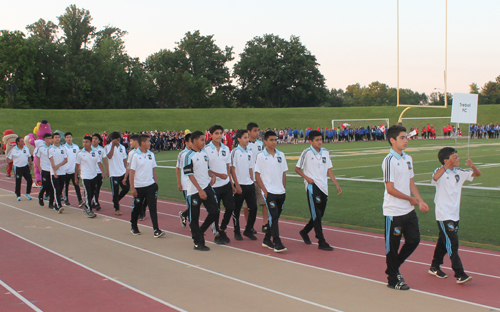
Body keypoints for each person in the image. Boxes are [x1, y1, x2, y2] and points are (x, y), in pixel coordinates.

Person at [382, 125, 429, 290]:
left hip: (409, 210)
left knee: (414, 240)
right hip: (393, 212)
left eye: (406, 137)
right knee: (392, 247)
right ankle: (393, 279)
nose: (406, 140)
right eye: (402, 137)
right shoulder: (389, 161)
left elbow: (411, 182)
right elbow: (390, 189)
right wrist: (411, 199)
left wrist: (420, 200)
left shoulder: (408, 158)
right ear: (392, 140)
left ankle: (393, 267)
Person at [428, 147, 480, 284]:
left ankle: (434, 266)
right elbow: (435, 177)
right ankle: (459, 273)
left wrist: (473, 166)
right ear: (446, 160)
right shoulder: (439, 171)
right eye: (455, 157)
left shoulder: (460, 172)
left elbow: (477, 174)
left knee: (443, 242)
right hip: (443, 214)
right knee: (452, 242)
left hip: (454, 213)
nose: (458, 159)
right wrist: (447, 165)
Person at [295, 130, 342, 251]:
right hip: (312, 186)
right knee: (316, 214)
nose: (319, 142)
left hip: (323, 186)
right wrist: (307, 178)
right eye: (316, 140)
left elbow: (329, 170)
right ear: (310, 141)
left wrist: (336, 184)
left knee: (319, 214)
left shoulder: (326, 152)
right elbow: (297, 168)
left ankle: (305, 231)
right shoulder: (306, 152)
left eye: (320, 139)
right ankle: (321, 241)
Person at [183, 131, 220, 251]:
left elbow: (207, 169)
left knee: (215, 211)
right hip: (194, 190)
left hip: (206, 187)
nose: (204, 142)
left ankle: (200, 231)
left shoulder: (204, 153)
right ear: (194, 141)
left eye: (204, 140)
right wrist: (199, 190)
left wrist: (212, 175)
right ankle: (197, 242)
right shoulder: (189, 156)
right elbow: (190, 174)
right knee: (194, 217)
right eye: (202, 140)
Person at [255, 130, 288, 252]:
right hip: (269, 192)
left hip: (280, 192)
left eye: (275, 140)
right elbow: (257, 175)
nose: (274, 142)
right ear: (265, 141)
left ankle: (267, 239)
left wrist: (283, 188)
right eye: (271, 140)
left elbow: (283, 173)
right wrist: (265, 190)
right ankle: (277, 242)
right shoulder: (261, 156)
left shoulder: (281, 155)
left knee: (275, 217)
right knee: (273, 216)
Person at [130, 134, 164, 238]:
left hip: (150, 185)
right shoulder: (135, 155)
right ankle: (134, 226)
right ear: (143, 143)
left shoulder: (151, 154)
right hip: (139, 186)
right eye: (148, 141)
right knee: (137, 207)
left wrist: (156, 183)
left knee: (153, 208)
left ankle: (156, 229)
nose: (150, 143)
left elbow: (153, 169)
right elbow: (132, 173)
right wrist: (132, 188)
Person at [205, 125, 234, 244]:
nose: (218, 136)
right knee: (215, 211)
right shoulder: (206, 149)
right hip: (213, 186)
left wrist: (231, 184)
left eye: (220, 133)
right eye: (216, 133)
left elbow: (228, 167)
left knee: (230, 207)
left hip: (226, 184)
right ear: (211, 135)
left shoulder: (226, 149)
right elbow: (205, 168)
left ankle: (222, 229)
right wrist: (217, 175)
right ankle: (216, 233)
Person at [230, 129, 258, 241]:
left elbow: (251, 168)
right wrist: (237, 185)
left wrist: (252, 180)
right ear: (239, 139)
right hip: (239, 185)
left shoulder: (249, 152)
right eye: (245, 137)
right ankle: (237, 231)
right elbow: (232, 169)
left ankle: (248, 229)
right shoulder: (235, 152)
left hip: (249, 184)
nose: (247, 140)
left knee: (254, 208)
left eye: (247, 137)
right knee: (236, 210)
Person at [244, 122, 268, 234]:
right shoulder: (245, 144)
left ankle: (265, 224)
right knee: (247, 205)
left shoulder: (260, 144)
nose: (257, 132)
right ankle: (249, 225)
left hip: (259, 177)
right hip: (247, 178)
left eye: (258, 130)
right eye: (254, 130)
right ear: (248, 132)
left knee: (264, 202)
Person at [75, 136, 105, 218]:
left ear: (91, 143)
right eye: (83, 142)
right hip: (85, 176)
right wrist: (76, 177)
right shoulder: (80, 153)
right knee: (88, 192)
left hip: (94, 175)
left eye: (86, 142)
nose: (84, 144)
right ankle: (89, 209)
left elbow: (99, 162)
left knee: (93, 192)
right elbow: (77, 166)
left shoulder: (95, 152)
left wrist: (102, 172)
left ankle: (86, 206)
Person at [106, 131, 129, 215]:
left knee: (126, 188)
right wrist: (112, 146)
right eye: (116, 139)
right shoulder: (107, 147)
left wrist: (126, 169)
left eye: (119, 139)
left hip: (122, 172)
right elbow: (109, 156)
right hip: (114, 174)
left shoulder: (122, 147)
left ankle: (116, 199)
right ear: (112, 140)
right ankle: (117, 208)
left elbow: (124, 159)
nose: (118, 141)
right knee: (115, 192)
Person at [124, 134, 145, 220]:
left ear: (136, 141)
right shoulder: (131, 153)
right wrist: (125, 177)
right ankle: (138, 214)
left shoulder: (145, 151)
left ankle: (142, 211)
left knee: (145, 198)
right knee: (136, 198)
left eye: (131, 141)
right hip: (136, 179)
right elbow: (128, 167)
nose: (130, 143)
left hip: (145, 178)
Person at [7, 137, 33, 201]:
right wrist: (7, 164)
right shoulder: (13, 150)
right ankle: (18, 195)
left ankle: (28, 193)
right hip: (18, 167)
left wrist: (30, 164)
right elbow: (8, 158)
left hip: (26, 167)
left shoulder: (26, 148)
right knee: (18, 182)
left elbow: (29, 156)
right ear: (17, 142)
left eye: (23, 141)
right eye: (21, 141)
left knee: (30, 180)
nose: (23, 142)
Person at [48, 132, 68, 213]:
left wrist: (59, 166)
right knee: (57, 189)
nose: (57, 139)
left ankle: (56, 204)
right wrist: (54, 170)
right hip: (54, 173)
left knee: (60, 189)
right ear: (52, 139)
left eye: (58, 137)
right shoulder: (51, 149)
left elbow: (66, 160)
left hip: (62, 172)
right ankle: (59, 205)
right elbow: (51, 160)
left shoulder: (63, 148)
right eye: (55, 137)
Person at [62, 132, 83, 207]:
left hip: (74, 171)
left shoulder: (76, 147)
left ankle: (80, 200)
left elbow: (78, 158)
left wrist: (79, 168)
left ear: (72, 138)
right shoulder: (63, 147)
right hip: (66, 171)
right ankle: (66, 200)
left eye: (70, 137)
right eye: (67, 137)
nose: (69, 139)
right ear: (65, 139)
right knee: (66, 186)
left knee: (77, 186)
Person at [177, 133, 192, 227]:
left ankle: (184, 214)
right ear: (186, 143)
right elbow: (177, 167)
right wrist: (179, 182)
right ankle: (192, 224)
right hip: (186, 184)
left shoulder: (198, 152)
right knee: (190, 204)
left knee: (195, 204)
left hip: (197, 183)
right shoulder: (182, 154)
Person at [35, 133, 53, 208]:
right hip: (45, 170)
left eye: (51, 138)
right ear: (45, 139)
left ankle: (51, 203)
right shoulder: (41, 148)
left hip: (52, 170)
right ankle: (40, 196)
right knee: (45, 185)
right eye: (49, 138)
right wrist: (40, 169)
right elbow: (37, 159)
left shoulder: (53, 148)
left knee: (52, 187)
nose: (51, 140)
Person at [91, 133, 107, 210]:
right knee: (92, 188)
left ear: (99, 141)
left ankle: (94, 201)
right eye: (93, 138)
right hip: (90, 172)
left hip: (98, 171)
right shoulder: (88, 149)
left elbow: (104, 160)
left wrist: (105, 171)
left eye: (96, 139)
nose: (94, 140)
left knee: (97, 188)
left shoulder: (101, 149)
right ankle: (95, 202)